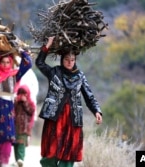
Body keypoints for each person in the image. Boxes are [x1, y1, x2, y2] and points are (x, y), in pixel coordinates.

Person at [35, 36, 103, 167]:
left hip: (73, 118)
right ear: (62, 59)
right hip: (55, 116)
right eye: (67, 59)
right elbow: (40, 63)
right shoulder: (54, 72)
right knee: (51, 151)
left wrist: (97, 111)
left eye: (72, 60)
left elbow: (89, 96)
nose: (69, 62)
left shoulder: (80, 76)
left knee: (69, 151)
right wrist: (48, 45)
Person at [13, 85, 36, 167]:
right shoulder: (16, 101)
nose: (22, 95)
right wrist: (16, 101)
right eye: (20, 93)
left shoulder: (30, 103)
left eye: (24, 93)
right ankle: (17, 161)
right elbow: (12, 110)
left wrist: (25, 102)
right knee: (16, 144)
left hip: (25, 128)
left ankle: (21, 159)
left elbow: (31, 111)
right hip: (15, 127)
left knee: (21, 144)